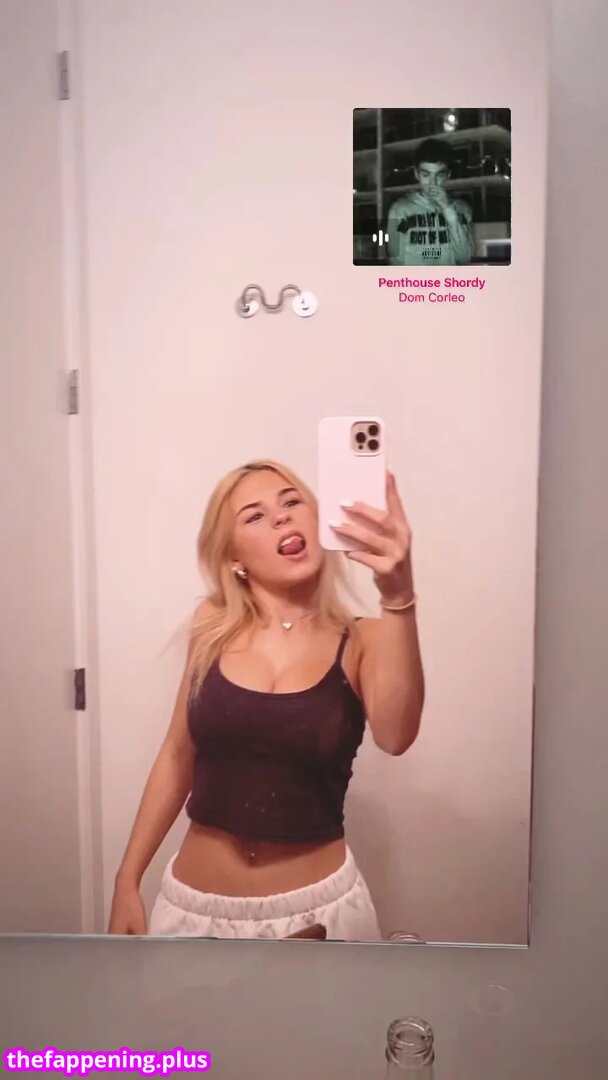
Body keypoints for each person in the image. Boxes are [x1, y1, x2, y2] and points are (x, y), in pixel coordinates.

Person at [108, 459, 425, 941]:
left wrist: (399, 596)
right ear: (234, 559)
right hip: (192, 911)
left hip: (318, 916)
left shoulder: (367, 639)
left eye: (292, 502)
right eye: (255, 515)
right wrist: (127, 879)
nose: (281, 517)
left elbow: (397, 736)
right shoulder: (211, 626)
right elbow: (177, 752)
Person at [386, 137, 474, 266]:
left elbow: (465, 257)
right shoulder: (399, 209)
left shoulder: (462, 209)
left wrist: (448, 209)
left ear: (448, 175)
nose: (433, 182)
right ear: (416, 174)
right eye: (426, 175)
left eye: (439, 175)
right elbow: (394, 259)